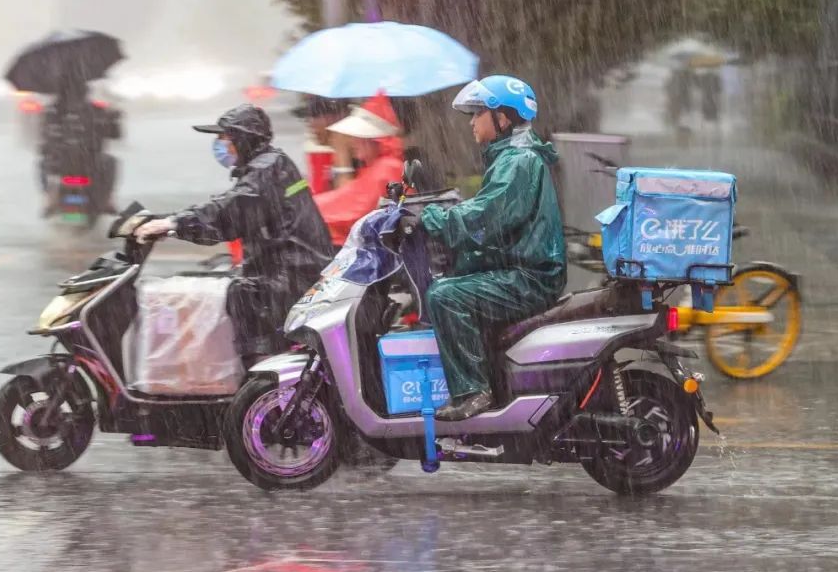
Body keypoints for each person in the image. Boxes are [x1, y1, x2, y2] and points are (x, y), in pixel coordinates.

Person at [135, 105, 334, 365]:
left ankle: (259, 384)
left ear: (243, 139)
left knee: (240, 303)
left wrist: (174, 222)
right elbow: (227, 211)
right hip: (287, 269)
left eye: (224, 138)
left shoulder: (266, 168)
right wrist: (173, 224)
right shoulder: (268, 164)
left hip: (287, 276)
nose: (219, 145)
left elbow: (229, 213)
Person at [419, 75, 567, 421]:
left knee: (445, 296)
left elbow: (488, 216)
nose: (472, 122)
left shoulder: (518, 161)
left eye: (478, 114)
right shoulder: (512, 158)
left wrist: (437, 219)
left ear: (503, 117)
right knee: (452, 281)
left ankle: (473, 392)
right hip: (521, 270)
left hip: (530, 278)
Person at [315, 92, 406, 245]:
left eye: (359, 137)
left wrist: (308, 206)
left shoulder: (387, 167)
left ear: (375, 140)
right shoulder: (377, 167)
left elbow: (349, 209)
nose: (352, 141)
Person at [39, 77, 120, 216]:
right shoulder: (97, 111)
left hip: (61, 165)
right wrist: (114, 118)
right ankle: (107, 200)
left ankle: (50, 198)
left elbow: (45, 139)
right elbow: (115, 135)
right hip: (91, 164)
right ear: (86, 92)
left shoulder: (51, 111)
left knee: (42, 164)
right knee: (111, 162)